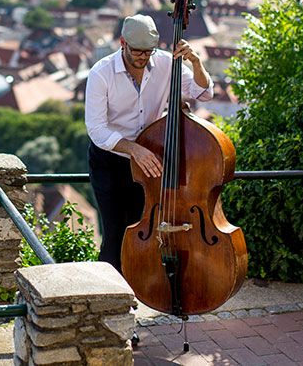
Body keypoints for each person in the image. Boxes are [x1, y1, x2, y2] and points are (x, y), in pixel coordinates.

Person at [84, 14, 214, 272]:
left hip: (149, 161)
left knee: (142, 227)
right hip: (110, 160)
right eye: (137, 51)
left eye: (148, 52)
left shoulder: (166, 63)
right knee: (114, 232)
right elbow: (96, 129)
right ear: (122, 43)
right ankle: (109, 294)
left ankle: (138, 288)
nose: (143, 57)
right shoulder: (101, 73)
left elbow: (204, 93)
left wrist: (196, 62)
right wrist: (133, 149)